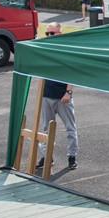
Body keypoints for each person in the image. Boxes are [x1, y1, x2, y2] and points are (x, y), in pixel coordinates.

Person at [36, 22, 78, 171]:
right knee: (46, 129)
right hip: (47, 95)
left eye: (52, 33)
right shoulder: (46, 49)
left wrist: (68, 92)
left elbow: (72, 72)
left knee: (70, 128)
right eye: (47, 33)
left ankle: (72, 157)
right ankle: (47, 156)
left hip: (62, 96)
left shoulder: (65, 50)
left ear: (59, 33)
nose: (49, 36)